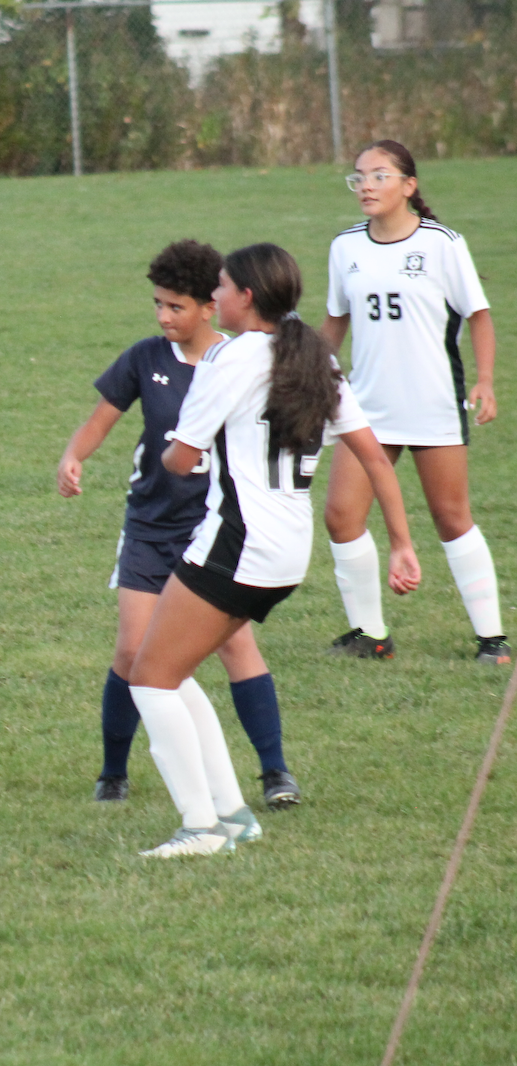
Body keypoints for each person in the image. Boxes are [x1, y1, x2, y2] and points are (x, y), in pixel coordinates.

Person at [127, 243, 421, 858]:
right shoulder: (316, 356)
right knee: (170, 671)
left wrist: (175, 451)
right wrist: (401, 542)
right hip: (288, 550)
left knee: (149, 679)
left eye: (222, 287)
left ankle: (201, 828)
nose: (215, 296)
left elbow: (181, 458)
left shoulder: (230, 358)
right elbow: (373, 457)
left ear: (245, 297)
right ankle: (233, 817)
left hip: (238, 543)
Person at [59, 240, 301, 811]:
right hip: (149, 526)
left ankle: (275, 772)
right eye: (158, 304)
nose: (164, 316)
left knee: (237, 647)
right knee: (131, 651)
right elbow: (101, 418)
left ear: (210, 305)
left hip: (212, 528)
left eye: (176, 306)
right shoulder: (146, 359)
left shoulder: (239, 361)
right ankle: (113, 772)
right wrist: (74, 456)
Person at [322, 139, 507, 664]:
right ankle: (370, 635)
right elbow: (335, 320)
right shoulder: (345, 247)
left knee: (451, 516)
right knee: (340, 515)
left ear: (409, 185)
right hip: (366, 407)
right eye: (359, 176)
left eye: (379, 175)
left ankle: (492, 640)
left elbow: (479, 315)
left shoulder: (443, 244)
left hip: (431, 403)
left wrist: (485, 380)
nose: (366, 185)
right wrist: (310, 378)